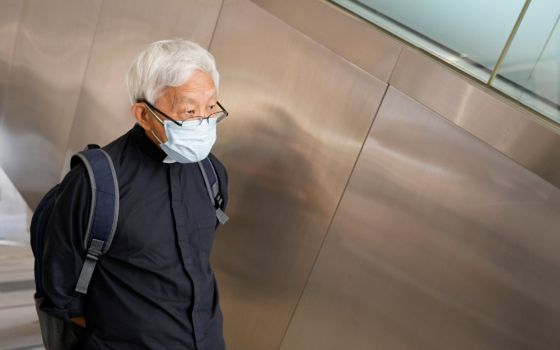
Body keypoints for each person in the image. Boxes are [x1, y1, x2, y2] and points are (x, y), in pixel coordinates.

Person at [40, 39, 230, 349]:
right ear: (143, 114)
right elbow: (60, 290)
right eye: (189, 111)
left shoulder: (211, 173)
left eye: (211, 108)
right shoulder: (95, 184)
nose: (204, 123)